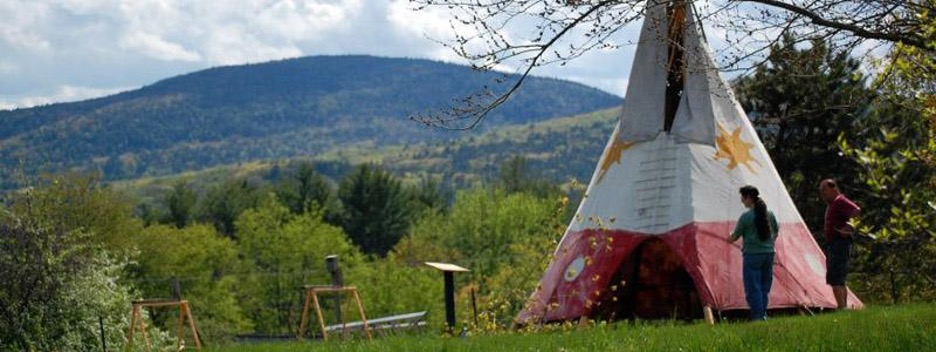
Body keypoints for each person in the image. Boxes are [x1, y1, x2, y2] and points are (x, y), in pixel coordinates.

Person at [729, 185, 779, 321]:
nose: (742, 201)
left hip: (752, 255)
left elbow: (734, 236)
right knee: (764, 287)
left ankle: (758, 316)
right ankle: (763, 313)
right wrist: (768, 244)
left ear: (749, 198)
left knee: (753, 287)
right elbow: (776, 231)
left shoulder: (746, 217)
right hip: (769, 253)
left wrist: (728, 237)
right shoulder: (770, 213)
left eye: (743, 198)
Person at [818, 179, 861, 309]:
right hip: (834, 244)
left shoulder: (840, 201)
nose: (822, 194)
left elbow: (856, 211)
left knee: (836, 276)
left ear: (834, 188)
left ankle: (842, 307)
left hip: (839, 243)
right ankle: (843, 306)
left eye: (824, 190)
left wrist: (849, 228)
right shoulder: (833, 204)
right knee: (838, 278)